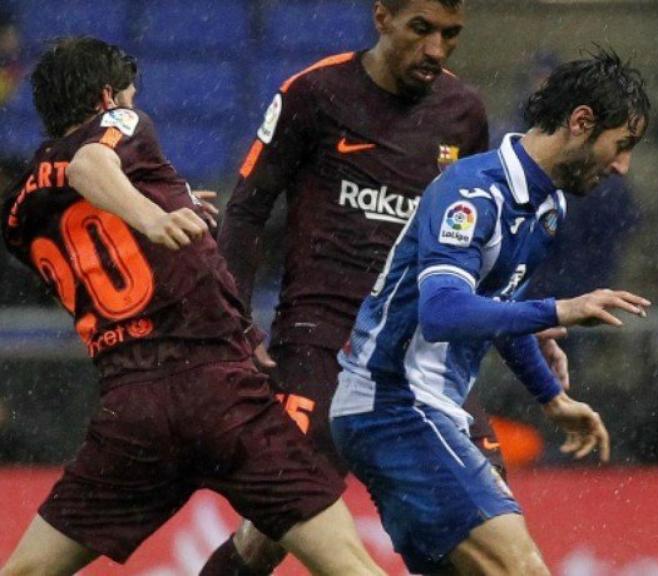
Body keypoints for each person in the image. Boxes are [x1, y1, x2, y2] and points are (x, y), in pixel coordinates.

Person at [202, 1, 570, 573]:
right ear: (382, 18)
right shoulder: (313, 94)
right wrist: (235, 323)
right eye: (421, 29)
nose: (436, 49)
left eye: (450, 34)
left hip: (419, 351)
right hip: (322, 340)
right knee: (272, 531)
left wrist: (522, 317)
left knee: (486, 529)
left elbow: (481, 238)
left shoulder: (463, 113)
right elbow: (247, 210)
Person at [0, 37, 383, 576]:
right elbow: (89, 163)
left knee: (27, 571)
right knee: (349, 565)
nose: (133, 104)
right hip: (218, 391)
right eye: (129, 95)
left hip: (133, 412)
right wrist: (153, 215)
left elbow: (92, 229)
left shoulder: (18, 211)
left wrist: (166, 198)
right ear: (108, 97)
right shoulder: (120, 124)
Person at [331, 49, 651, 574]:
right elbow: (443, 312)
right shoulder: (472, 191)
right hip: (394, 404)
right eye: (622, 145)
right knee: (521, 569)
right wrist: (559, 310)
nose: (622, 166)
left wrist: (552, 398)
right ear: (581, 122)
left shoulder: (548, 207)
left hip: (425, 409)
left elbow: (496, 306)